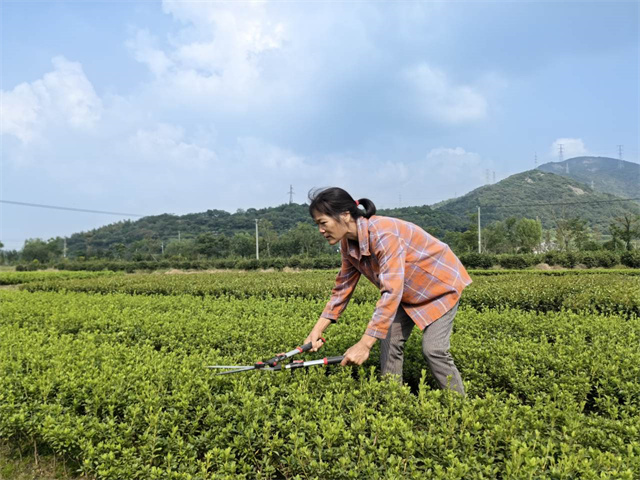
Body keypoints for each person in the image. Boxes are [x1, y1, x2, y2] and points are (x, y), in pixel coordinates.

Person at [304, 187, 471, 395]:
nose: (320, 230)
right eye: (317, 224)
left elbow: (391, 292)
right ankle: (394, 400)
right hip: (408, 292)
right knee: (389, 342)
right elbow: (342, 289)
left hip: (440, 287)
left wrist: (364, 345)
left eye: (323, 223)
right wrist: (318, 329)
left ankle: (460, 404)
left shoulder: (384, 234)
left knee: (434, 350)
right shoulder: (348, 244)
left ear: (345, 215)